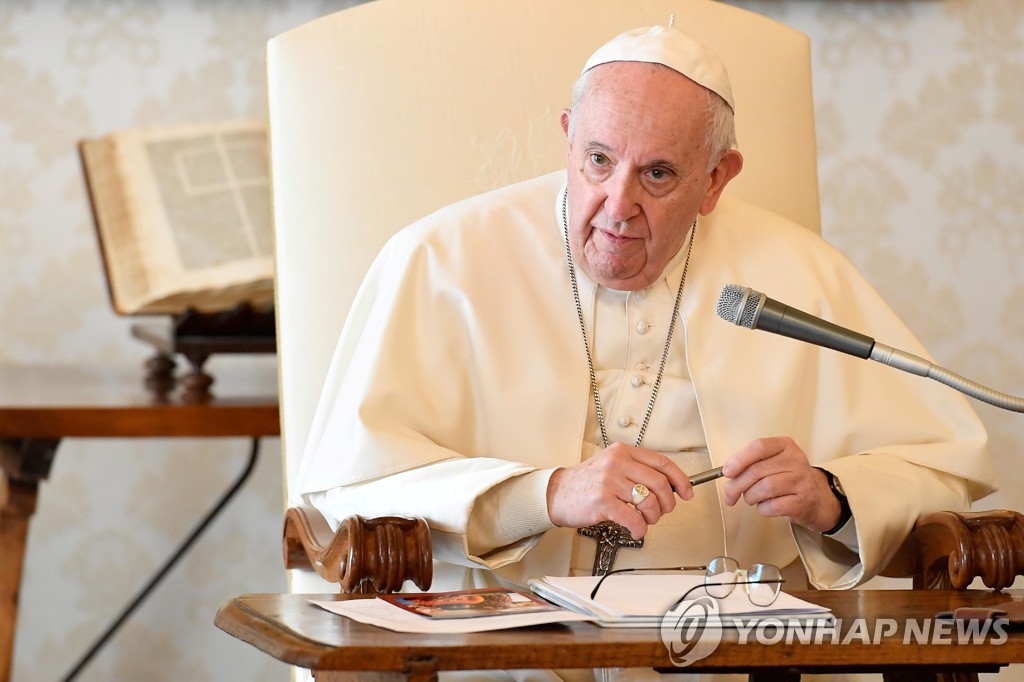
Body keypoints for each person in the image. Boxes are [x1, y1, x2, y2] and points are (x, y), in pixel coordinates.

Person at [296, 23, 996, 679]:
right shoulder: (441, 263)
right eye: (597, 161)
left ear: (717, 178)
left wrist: (833, 497)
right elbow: (345, 488)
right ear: (568, 140)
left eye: (658, 175)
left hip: (732, 658)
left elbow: (944, 461)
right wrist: (544, 493)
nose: (617, 204)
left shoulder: (799, 276)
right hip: (505, 657)